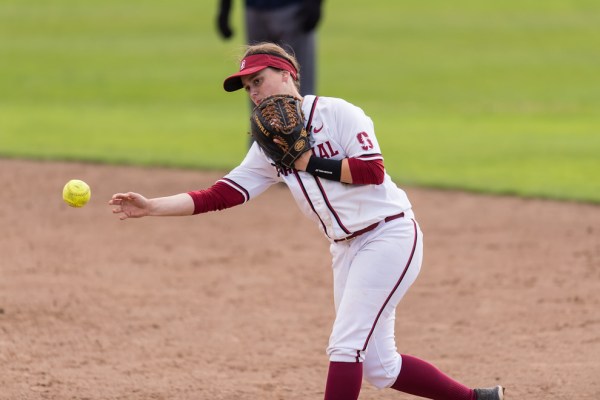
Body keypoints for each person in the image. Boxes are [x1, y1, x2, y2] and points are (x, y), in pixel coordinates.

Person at [109, 42, 506, 400]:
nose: (254, 92)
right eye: (248, 88)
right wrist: (152, 206)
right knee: (380, 367)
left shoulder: (338, 113)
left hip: (390, 235)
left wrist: (309, 162)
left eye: (259, 81)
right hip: (345, 250)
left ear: (287, 75)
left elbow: (372, 171)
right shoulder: (268, 146)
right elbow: (222, 194)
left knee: (345, 345)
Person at [216, 0, 322, 96]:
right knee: (253, 79)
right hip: (254, 9)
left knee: (297, 79)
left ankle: (305, 116)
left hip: (293, 8)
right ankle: (262, 117)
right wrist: (225, 6)